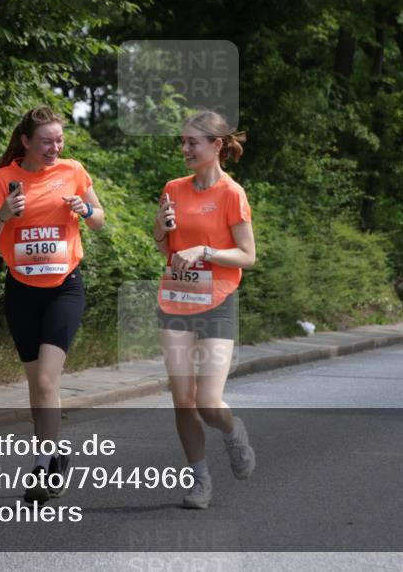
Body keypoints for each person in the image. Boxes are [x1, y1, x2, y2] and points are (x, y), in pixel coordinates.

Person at [0, 106, 105, 503]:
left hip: (64, 288)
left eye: (59, 140)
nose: (55, 148)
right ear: (26, 142)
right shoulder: (4, 179)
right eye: (47, 141)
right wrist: (3, 214)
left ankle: (41, 466)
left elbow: (99, 219)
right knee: (37, 387)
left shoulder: (73, 171)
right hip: (21, 291)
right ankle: (55, 452)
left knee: (48, 381)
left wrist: (86, 210)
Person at [153, 111, 257, 509]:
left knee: (208, 403)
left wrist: (205, 251)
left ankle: (233, 432)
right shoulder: (173, 189)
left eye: (192, 142)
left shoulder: (232, 193)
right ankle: (201, 480)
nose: (185, 149)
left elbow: (247, 255)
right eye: (182, 142)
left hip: (217, 301)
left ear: (216, 146)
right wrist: (161, 229)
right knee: (183, 400)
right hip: (176, 298)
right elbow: (164, 249)